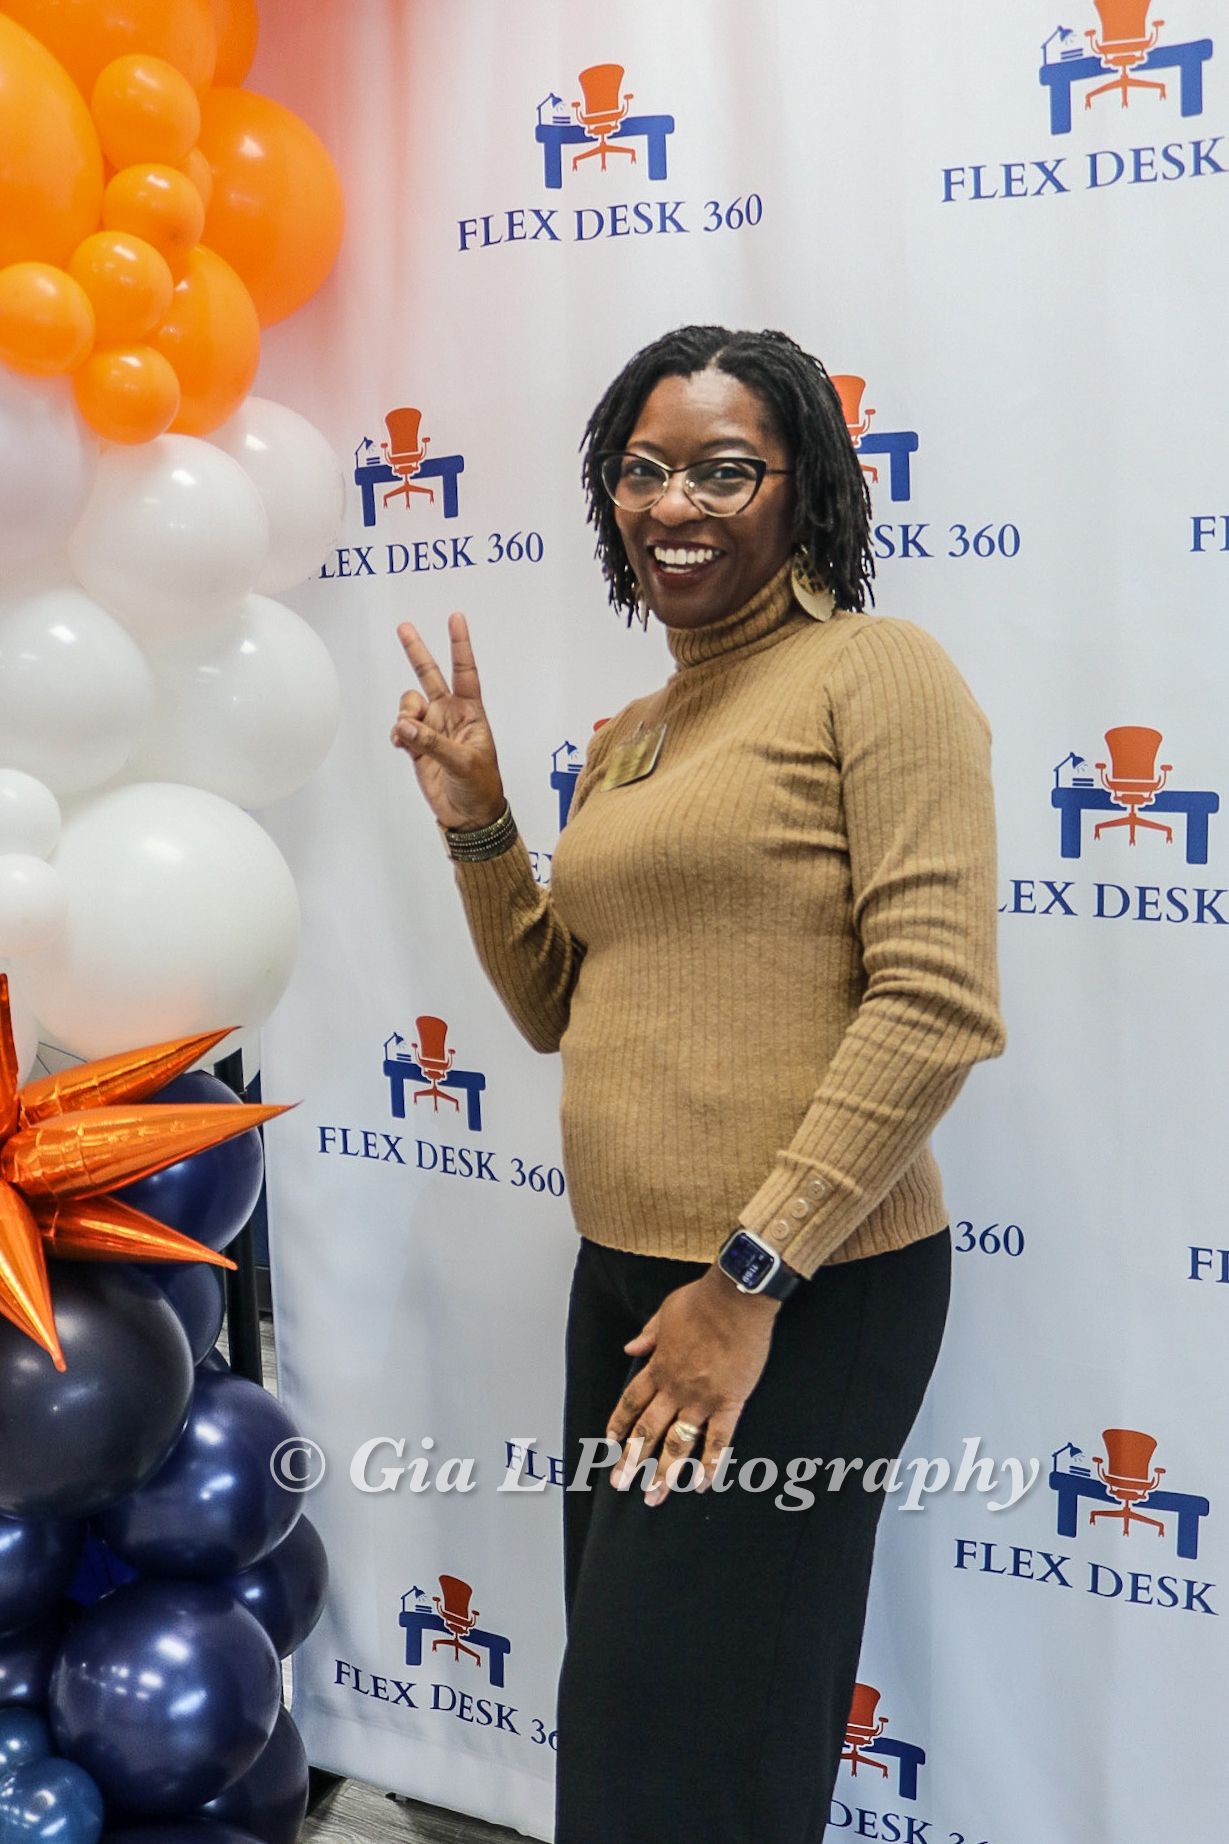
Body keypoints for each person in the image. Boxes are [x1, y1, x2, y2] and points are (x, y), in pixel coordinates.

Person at [390, 325, 1005, 1844]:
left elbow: (933, 1006)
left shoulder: (878, 673)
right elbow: (549, 1004)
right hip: (634, 1286)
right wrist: (480, 822)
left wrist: (751, 1278)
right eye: (643, 470)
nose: (675, 503)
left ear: (805, 492)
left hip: (798, 1296)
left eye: (724, 470)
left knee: (691, 1760)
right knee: (638, 1735)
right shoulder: (632, 737)